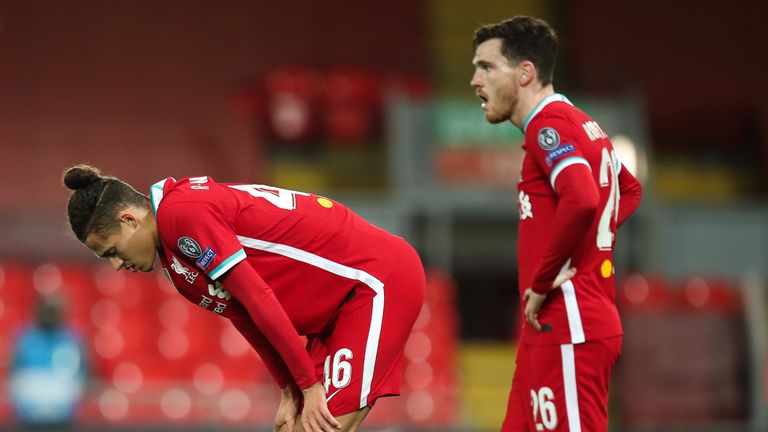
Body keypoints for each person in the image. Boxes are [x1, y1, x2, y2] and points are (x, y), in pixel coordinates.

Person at [62, 165, 425, 432]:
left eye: (110, 251)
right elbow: (244, 315)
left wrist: (309, 385)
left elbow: (258, 295)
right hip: (336, 310)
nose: (114, 265)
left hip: (373, 280)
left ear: (129, 220)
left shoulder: (181, 213)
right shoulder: (174, 260)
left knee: (323, 427)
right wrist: (289, 387)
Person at [471, 16, 643, 431]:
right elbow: (630, 190)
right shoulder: (584, 125)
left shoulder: (549, 126)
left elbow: (582, 198)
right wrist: (589, 247)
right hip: (548, 326)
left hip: (571, 319)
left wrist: (544, 278)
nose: (476, 80)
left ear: (525, 72)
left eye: (487, 67)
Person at [9, 295, 87, 430]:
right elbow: (15, 376)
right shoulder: (23, 340)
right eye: (46, 310)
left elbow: (83, 377)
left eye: (53, 310)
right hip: (28, 418)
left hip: (64, 418)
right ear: (37, 311)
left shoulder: (73, 340)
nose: (49, 314)